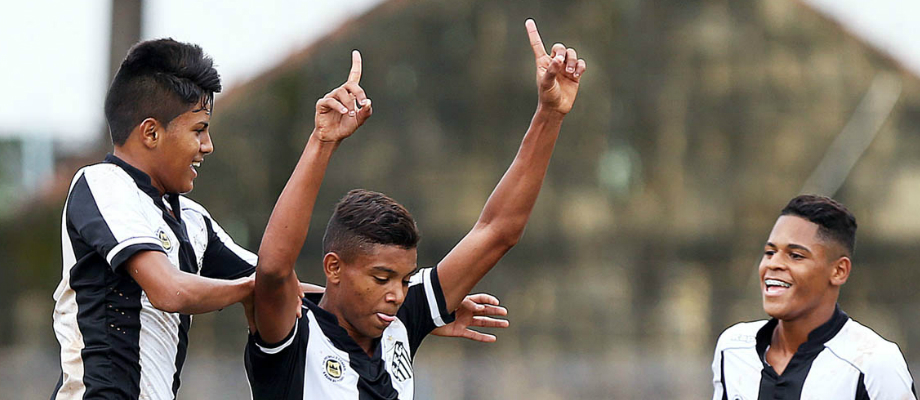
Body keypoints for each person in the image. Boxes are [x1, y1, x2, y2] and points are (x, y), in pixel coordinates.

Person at [51, 38, 508, 400]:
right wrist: (263, 288)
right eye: (199, 130)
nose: (207, 147)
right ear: (151, 132)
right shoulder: (101, 184)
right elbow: (171, 290)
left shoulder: (189, 219)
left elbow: (280, 281)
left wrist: (412, 307)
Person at [244, 18, 586, 399]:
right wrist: (322, 142)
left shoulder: (400, 320)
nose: (396, 294)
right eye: (381, 278)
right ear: (333, 267)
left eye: (405, 280)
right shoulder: (292, 333)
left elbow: (497, 231)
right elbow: (273, 268)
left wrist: (550, 114)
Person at [712, 195, 916, 399]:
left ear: (838, 271)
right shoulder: (733, 348)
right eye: (769, 252)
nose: (773, 264)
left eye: (796, 255)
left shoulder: (873, 363)